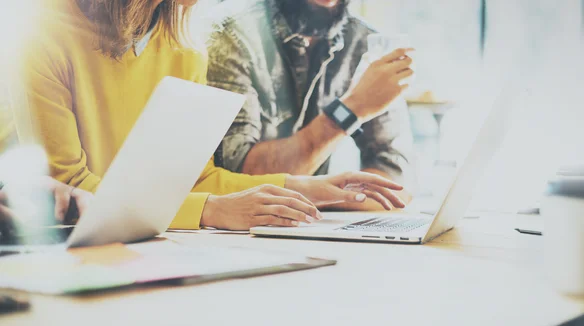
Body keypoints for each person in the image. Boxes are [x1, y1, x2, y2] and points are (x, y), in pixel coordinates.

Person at [19, 0, 406, 231]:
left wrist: (304, 188)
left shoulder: (184, 46)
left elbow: (193, 177)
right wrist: (211, 210)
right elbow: (70, 191)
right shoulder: (41, 31)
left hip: (137, 243)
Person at [208, 0, 415, 210]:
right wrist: (350, 110)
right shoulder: (228, 34)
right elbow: (237, 183)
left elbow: (396, 182)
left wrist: (322, 196)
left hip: (312, 227)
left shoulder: (365, 42)